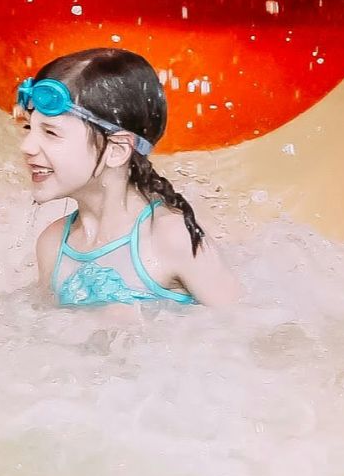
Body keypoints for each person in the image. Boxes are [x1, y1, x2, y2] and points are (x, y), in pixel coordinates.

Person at [16, 48, 242, 307]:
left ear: (117, 150)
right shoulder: (53, 244)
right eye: (28, 128)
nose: (27, 146)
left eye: (51, 133)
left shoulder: (171, 238)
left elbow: (246, 333)